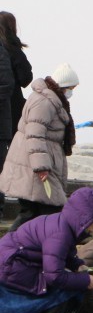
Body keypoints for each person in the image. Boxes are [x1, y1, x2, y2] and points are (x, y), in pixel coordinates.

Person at [0, 187, 93, 313]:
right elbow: (55, 277)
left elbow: (66, 255)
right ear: (83, 217)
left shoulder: (63, 224)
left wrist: (79, 266)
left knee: (68, 282)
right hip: (12, 267)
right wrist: (85, 280)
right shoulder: (60, 233)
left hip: (16, 264)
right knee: (65, 286)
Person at [0, 63, 81, 230]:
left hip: (34, 164)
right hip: (35, 167)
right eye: (71, 87)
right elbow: (35, 134)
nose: (72, 91)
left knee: (34, 211)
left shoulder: (49, 99)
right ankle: (7, 249)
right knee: (37, 211)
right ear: (64, 85)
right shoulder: (45, 102)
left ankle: (11, 249)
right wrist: (41, 166)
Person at [0, 12, 33, 192]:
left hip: (7, 106)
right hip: (13, 107)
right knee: (15, 151)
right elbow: (26, 77)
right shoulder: (12, 47)